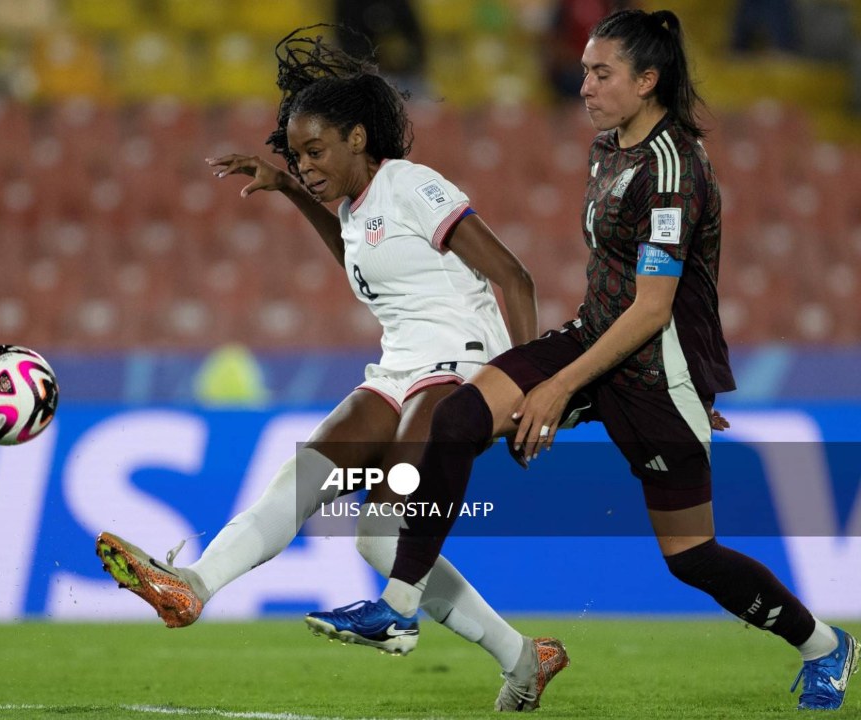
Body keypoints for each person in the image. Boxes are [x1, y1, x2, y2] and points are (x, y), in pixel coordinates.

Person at [330, 9, 858, 711]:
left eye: (601, 72)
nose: (584, 84)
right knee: (457, 419)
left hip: (648, 368)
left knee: (691, 557)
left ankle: (826, 645)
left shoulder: (673, 170)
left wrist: (560, 392)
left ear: (648, 80)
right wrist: (546, 378)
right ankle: (398, 605)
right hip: (593, 336)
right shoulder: (609, 147)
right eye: (583, 69)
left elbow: (653, 308)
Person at [97, 26, 569, 712]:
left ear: (357, 137)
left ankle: (398, 616)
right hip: (400, 366)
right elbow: (354, 248)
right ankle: (192, 588)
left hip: (463, 362)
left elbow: (515, 277)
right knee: (352, 514)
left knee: (398, 506)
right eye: (296, 154)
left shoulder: (410, 184)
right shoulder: (355, 209)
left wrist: (521, 385)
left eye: (315, 150)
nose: (307, 163)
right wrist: (291, 190)